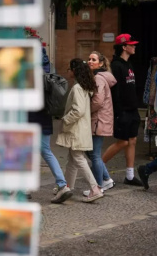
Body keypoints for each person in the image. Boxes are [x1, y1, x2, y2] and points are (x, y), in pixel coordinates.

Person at [28, 47, 73, 204]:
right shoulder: (49, 69)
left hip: (31, 117)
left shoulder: (30, 71)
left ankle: (61, 185)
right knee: (44, 151)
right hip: (46, 117)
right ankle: (62, 186)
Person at [56, 58, 103, 202]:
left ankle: (95, 188)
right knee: (73, 159)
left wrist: (65, 120)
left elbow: (78, 110)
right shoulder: (84, 87)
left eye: (69, 69)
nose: (68, 72)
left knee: (78, 159)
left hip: (76, 129)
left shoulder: (77, 88)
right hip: (81, 129)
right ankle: (67, 187)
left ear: (74, 71)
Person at [102, 34, 143, 186]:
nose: (134, 47)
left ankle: (130, 176)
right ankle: (98, 167)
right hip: (123, 111)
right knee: (123, 142)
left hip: (132, 109)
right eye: (131, 45)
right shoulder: (116, 66)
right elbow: (115, 92)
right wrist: (119, 112)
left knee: (132, 140)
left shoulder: (129, 64)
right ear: (124, 47)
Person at [83, 51, 117, 196]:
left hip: (98, 120)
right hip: (100, 119)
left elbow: (97, 101)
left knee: (94, 155)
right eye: (89, 59)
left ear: (101, 63)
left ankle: (98, 187)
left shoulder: (98, 78)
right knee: (90, 153)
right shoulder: (100, 77)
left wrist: (84, 111)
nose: (90, 61)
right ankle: (106, 179)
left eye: (94, 59)